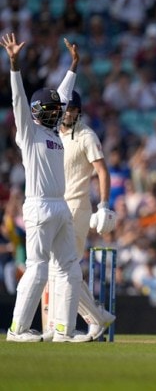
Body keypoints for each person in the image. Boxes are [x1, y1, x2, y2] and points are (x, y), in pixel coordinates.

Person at [2, 32, 90, 342]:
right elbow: (18, 101)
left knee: (70, 267)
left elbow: (63, 95)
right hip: (38, 205)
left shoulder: (53, 131)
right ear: (39, 112)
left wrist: (74, 65)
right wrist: (14, 65)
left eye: (57, 110)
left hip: (61, 205)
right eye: (51, 110)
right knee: (38, 269)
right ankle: (17, 330)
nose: (57, 112)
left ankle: (63, 331)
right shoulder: (29, 132)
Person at [48, 89, 116, 341]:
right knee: (60, 268)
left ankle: (75, 324)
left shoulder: (86, 135)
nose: (68, 113)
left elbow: (102, 171)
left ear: (78, 111)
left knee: (67, 267)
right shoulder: (53, 133)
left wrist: (104, 205)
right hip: (57, 205)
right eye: (64, 109)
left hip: (78, 207)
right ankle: (97, 318)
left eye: (72, 109)